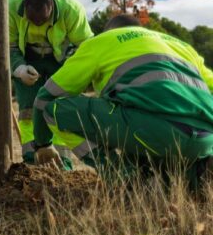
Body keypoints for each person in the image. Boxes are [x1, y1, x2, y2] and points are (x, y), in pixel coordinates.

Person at [33, 14, 213, 188]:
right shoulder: (182, 46)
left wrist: (43, 144)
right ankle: (198, 172)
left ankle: (122, 176)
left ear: (109, 31)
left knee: (54, 109)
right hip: (205, 137)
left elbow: (46, 96)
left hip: (153, 132)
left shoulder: (103, 41)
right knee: (173, 175)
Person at [9, 0, 93, 168]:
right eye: (33, 19)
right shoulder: (10, 8)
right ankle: (32, 158)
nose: (38, 23)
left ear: (52, 9)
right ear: (24, 8)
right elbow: (8, 47)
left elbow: (85, 46)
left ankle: (62, 160)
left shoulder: (72, 10)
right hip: (27, 57)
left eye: (43, 19)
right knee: (28, 110)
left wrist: (69, 71)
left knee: (60, 106)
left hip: (62, 61)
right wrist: (20, 69)